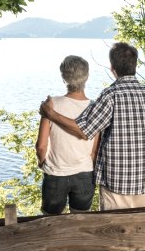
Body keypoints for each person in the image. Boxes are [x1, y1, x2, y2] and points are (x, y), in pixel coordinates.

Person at [40, 42, 145, 212]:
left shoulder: (110, 95)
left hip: (115, 179)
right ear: (135, 65)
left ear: (112, 68)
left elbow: (84, 131)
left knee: (113, 231)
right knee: (139, 226)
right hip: (144, 177)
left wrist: (52, 115)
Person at [35, 55, 100, 214]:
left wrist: (42, 162)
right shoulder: (94, 108)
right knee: (80, 223)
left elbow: (41, 146)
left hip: (55, 174)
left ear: (64, 78)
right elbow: (94, 151)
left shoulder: (51, 105)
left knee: (50, 223)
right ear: (87, 77)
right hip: (85, 174)